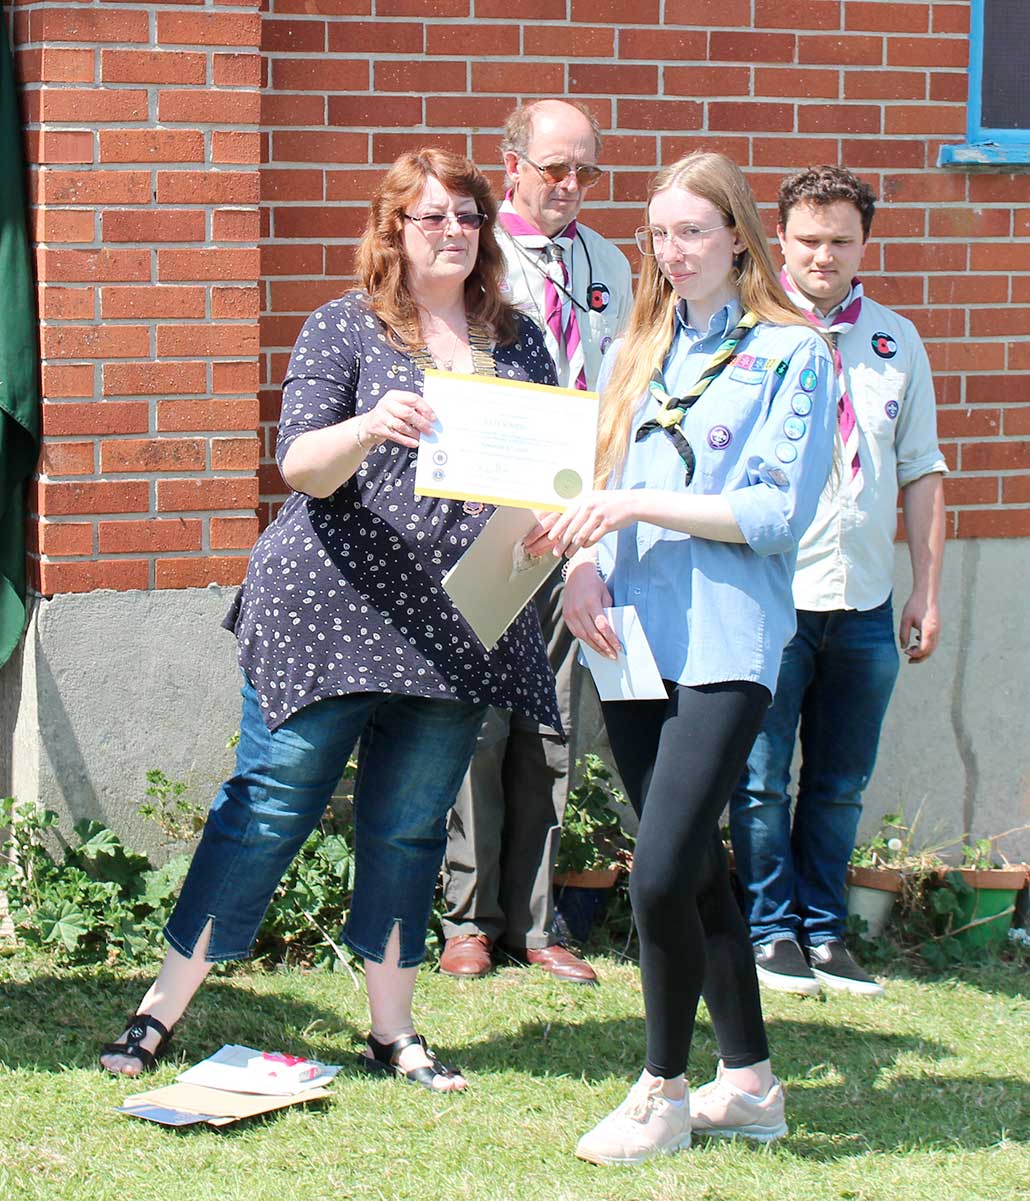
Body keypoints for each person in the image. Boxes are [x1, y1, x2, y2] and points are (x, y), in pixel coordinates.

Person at [99, 149, 561, 1093]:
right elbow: (301, 465)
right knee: (266, 808)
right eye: (430, 217)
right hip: (329, 615)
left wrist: (559, 530)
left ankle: (394, 1033)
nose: (453, 233)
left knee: (407, 830)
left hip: (455, 626)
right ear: (393, 230)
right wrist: (368, 424)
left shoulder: (517, 339)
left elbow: (544, 473)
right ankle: (159, 1009)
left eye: (468, 217)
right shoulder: (344, 328)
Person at [528, 150, 837, 1165]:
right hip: (629, 637)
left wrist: (630, 505)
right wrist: (581, 567)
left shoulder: (793, 351)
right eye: (660, 233)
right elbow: (591, 475)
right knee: (695, 869)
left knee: (658, 869)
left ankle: (660, 1091)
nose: (674, 250)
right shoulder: (634, 343)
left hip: (726, 640)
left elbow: (767, 512)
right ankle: (748, 1084)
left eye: (693, 230)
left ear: (738, 237)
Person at [730, 166, 947, 999]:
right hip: (769, 595)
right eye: (809, 239)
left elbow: (922, 471)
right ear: (779, 239)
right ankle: (768, 931)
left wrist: (925, 590)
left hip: (863, 601)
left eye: (841, 240)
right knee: (756, 776)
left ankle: (824, 933)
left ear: (864, 244)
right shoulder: (750, 333)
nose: (824, 255)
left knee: (840, 780)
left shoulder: (895, 341)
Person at [439, 99, 632, 985]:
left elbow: (622, 385)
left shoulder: (608, 263)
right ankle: (467, 918)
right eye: (554, 167)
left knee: (553, 721)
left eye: (585, 170)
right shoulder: (477, 254)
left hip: (574, 524)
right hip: (491, 520)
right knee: (478, 722)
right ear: (509, 162)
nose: (569, 186)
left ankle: (536, 919)